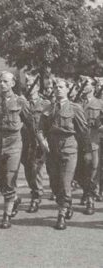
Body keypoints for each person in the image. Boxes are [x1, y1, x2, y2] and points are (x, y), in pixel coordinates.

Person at [0, 71, 36, 229]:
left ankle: (6, 215)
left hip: (14, 144)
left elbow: (31, 123)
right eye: (0, 82)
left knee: (10, 179)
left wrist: (34, 144)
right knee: (0, 180)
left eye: (5, 81)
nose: (2, 84)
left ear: (12, 83)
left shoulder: (20, 101)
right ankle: (14, 199)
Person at [38, 77, 92, 230]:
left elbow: (83, 131)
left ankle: (61, 214)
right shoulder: (48, 108)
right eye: (55, 87)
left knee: (65, 182)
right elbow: (40, 128)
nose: (58, 89)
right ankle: (66, 205)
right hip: (52, 149)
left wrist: (87, 151)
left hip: (69, 148)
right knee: (54, 184)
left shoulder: (75, 108)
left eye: (61, 86)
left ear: (68, 89)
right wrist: (42, 141)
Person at [21, 74, 50, 213]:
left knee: (36, 168)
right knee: (28, 170)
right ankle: (35, 191)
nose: (29, 87)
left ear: (37, 87)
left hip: (39, 141)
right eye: (27, 85)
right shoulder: (22, 103)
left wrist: (45, 140)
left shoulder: (45, 104)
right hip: (25, 141)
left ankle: (36, 196)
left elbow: (48, 124)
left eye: (31, 85)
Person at [74, 76, 103, 215]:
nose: (81, 85)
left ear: (93, 86)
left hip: (93, 142)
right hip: (77, 143)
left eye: (85, 83)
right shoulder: (75, 103)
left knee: (93, 170)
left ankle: (90, 197)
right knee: (78, 172)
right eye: (80, 83)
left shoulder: (99, 103)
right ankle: (86, 190)